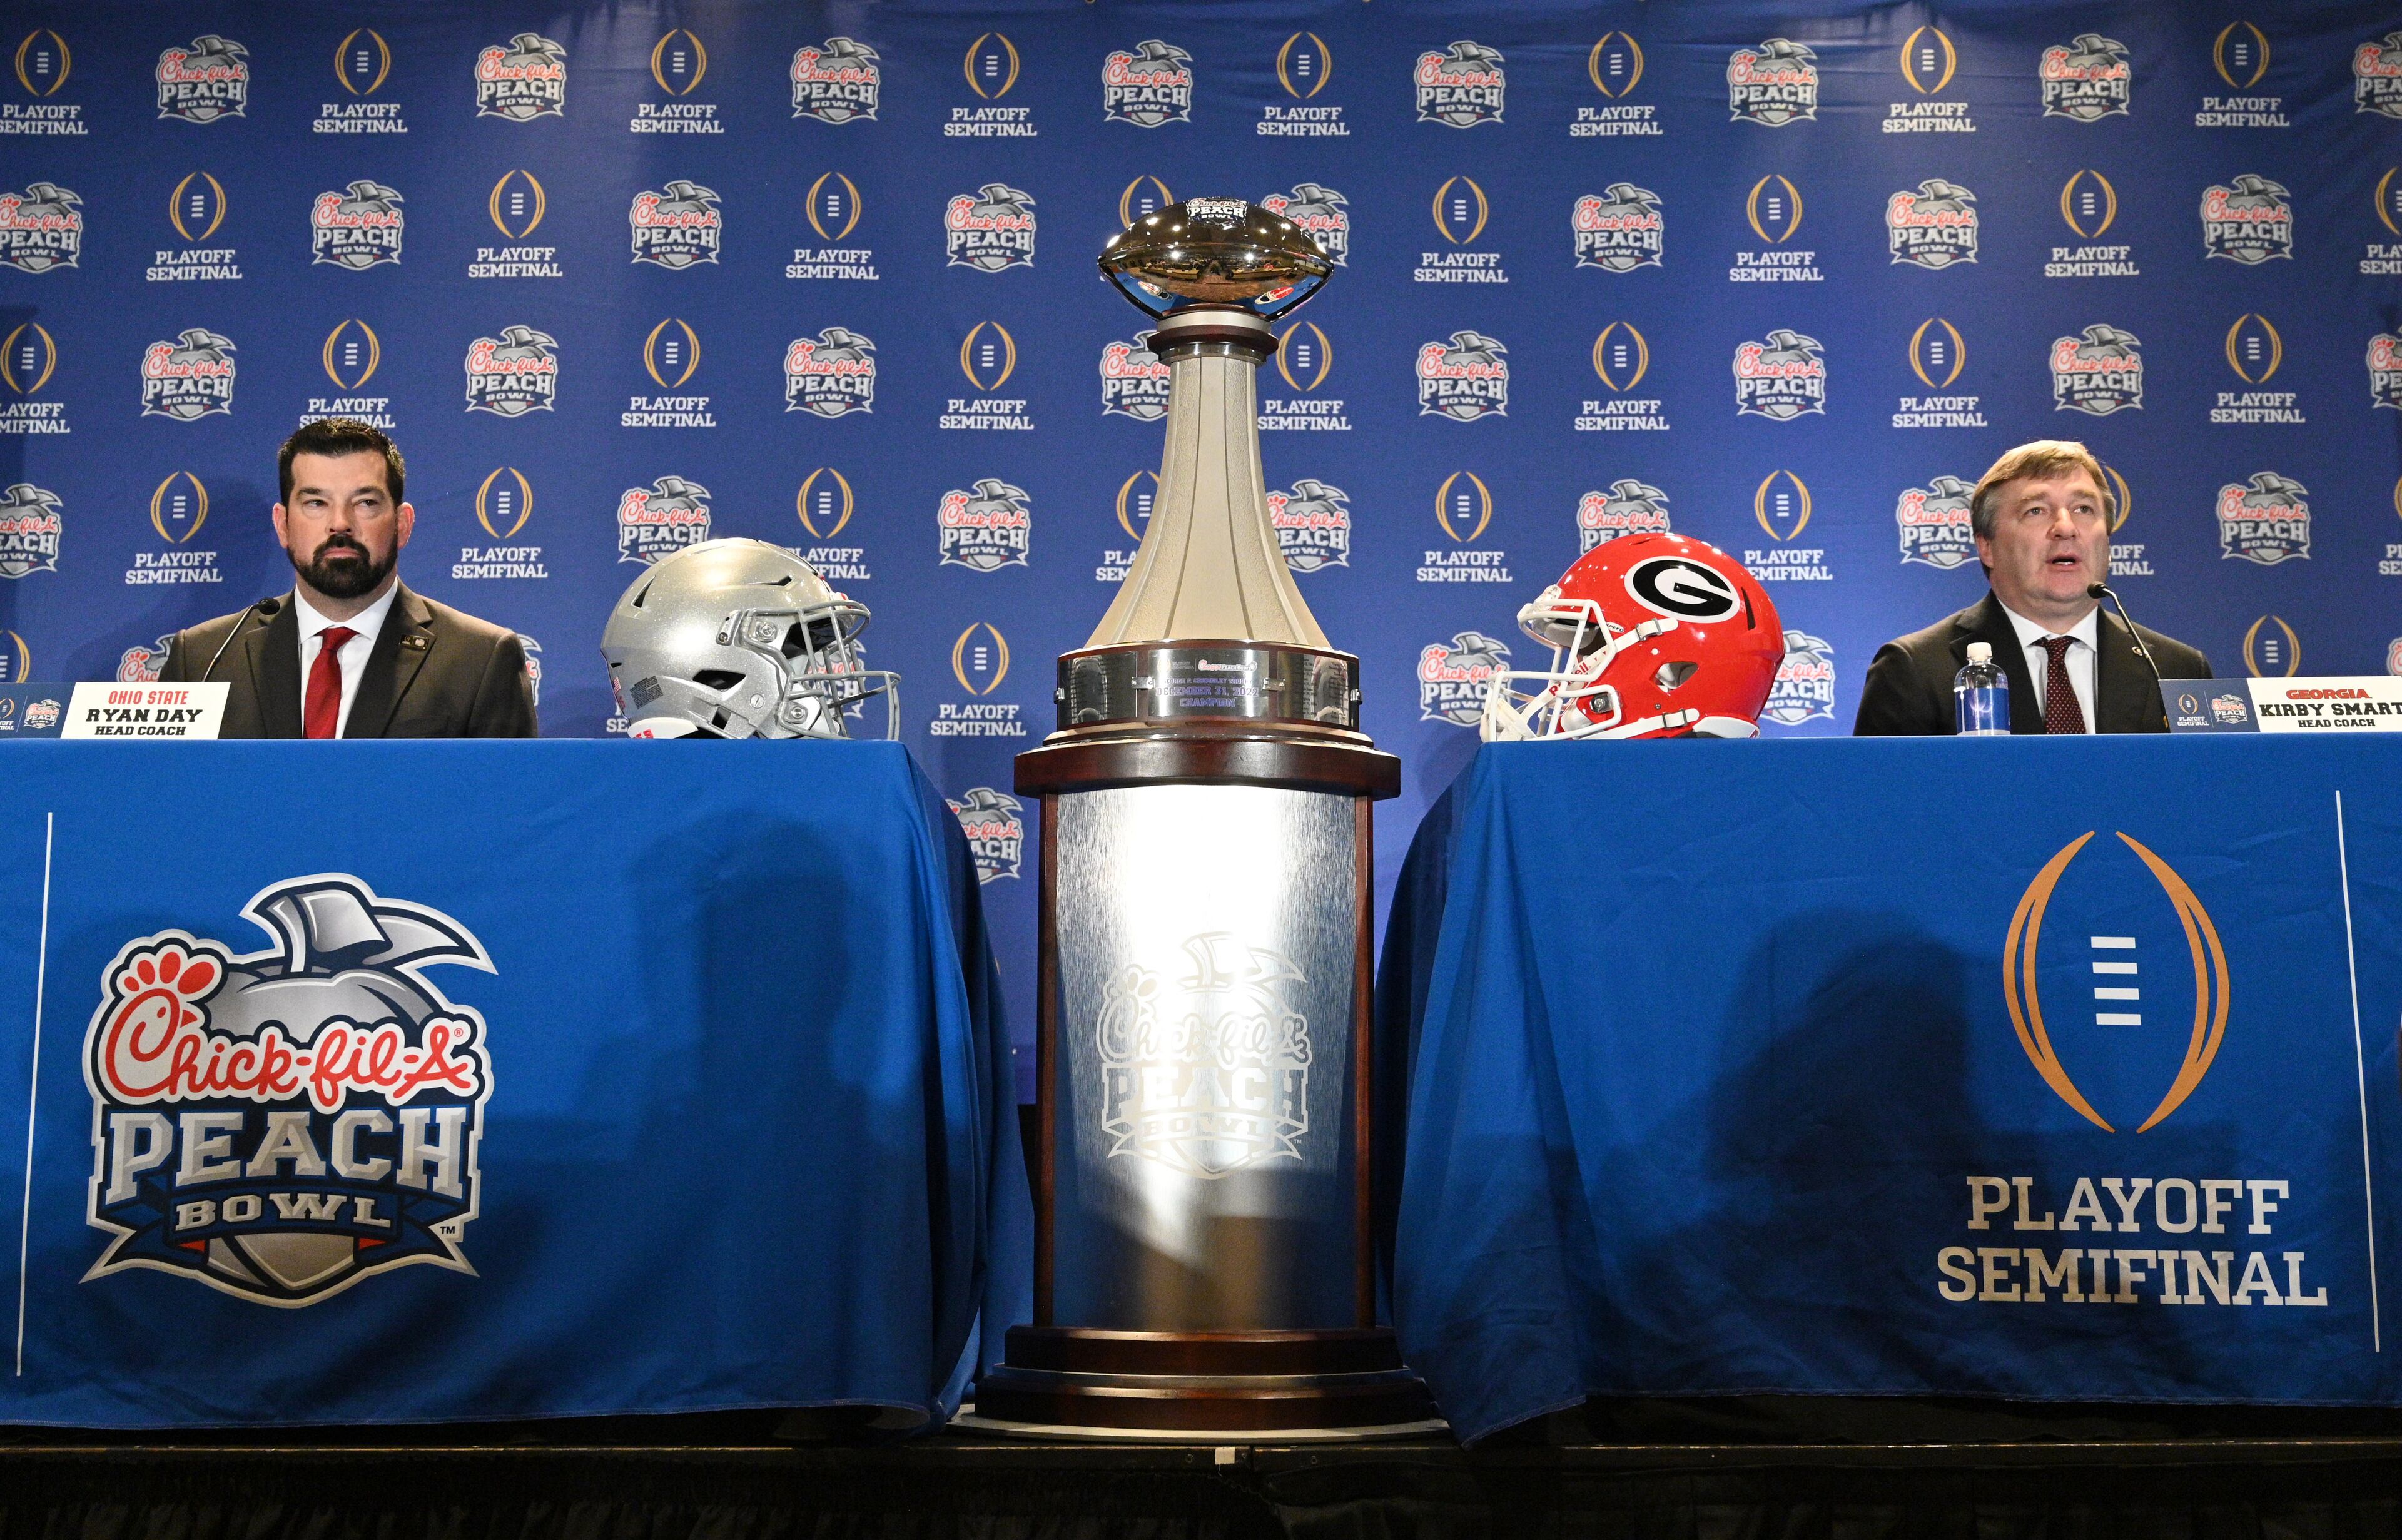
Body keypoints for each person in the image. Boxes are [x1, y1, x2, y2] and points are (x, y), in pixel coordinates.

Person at [161, 419, 537, 737]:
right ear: (282, 525)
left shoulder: (480, 658)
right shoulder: (203, 659)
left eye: (366, 504)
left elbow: (508, 812)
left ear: (403, 525)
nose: (340, 523)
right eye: (315, 503)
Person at [1854, 440, 2209, 736]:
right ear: (1987, 546)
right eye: (2037, 511)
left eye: (2084, 508)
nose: (2065, 527)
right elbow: (1880, 812)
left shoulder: (2176, 669)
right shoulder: (1914, 671)